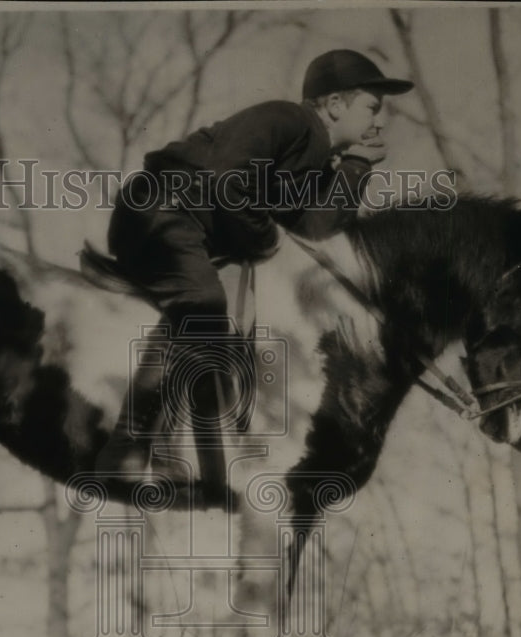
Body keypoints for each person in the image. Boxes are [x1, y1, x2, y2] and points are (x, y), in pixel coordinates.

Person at [95, 49, 413, 490]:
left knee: (229, 334)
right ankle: (125, 450)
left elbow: (318, 228)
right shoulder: (287, 119)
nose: (379, 123)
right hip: (161, 209)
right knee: (204, 303)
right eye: (372, 108)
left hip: (197, 233)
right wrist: (264, 238)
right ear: (336, 105)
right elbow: (225, 178)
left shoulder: (317, 160)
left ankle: (201, 459)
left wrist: (355, 168)